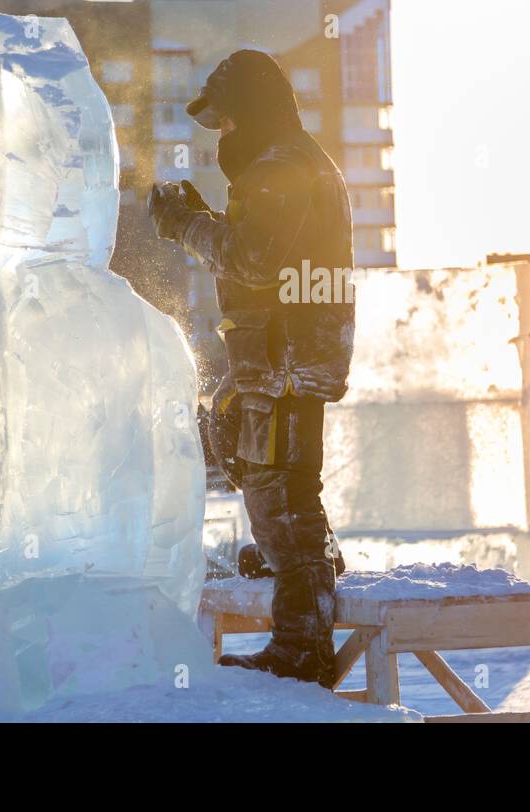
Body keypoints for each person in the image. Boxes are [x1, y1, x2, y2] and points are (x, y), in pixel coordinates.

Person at [148, 50, 355, 688]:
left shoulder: (281, 167)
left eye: (229, 122)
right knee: (250, 455)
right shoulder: (285, 163)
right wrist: (203, 218)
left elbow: (255, 259)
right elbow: (258, 248)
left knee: (278, 488)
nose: (223, 137)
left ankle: (301, 643)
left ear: (253, 112)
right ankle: (302, 562)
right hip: (280, 353)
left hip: (288, 354)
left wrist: (185, 224)